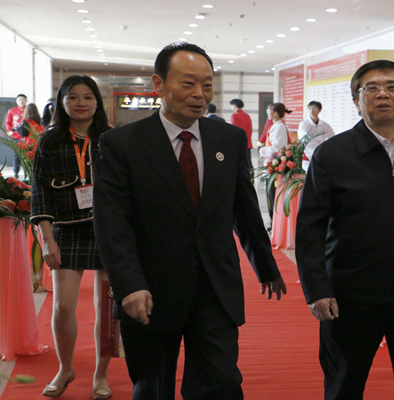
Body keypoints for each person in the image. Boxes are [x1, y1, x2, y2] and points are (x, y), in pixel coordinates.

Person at [92, 42, 286, 400]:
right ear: (159, 84)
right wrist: (129, 285)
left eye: (207, 85)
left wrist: (265, 266)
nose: (200, 94)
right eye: (188, 83)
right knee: (153, 387)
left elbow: (243, 208)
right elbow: (112, 223)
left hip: (215, 286)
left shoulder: (229, 138)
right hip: (150, 290)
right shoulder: (122, 144)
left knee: (221, 382)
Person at [295, 59, 394, 400]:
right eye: (372, 88)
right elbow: (309, 227)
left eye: (392, 87)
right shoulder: (331, 155)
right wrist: (317, 289)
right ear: (356, 100)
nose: (383, 94)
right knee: (344, 386)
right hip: (350, 295)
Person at [30, 76, 113, 399]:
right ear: (61, 102)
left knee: (108, 308)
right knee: (63, 306)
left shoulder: (110, 138)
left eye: (88, 97)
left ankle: (101, 374)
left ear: (97, 102)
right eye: (73, 97)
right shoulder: (50, 141)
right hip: (66, 229)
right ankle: (66, 368)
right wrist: (46, 239)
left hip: (108, 229)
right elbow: (39, 191)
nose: (81, 103)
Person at [259, 102, 291, 230]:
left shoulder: (280, 127)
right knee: (270, 194)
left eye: (269, 110)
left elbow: (277, 147)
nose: (267, 112)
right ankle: (273, 222)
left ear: (276, 113)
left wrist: (263, 151)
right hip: (271, 163)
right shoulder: (275, 126)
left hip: (275, 165)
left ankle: (275, 223)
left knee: (272, 195)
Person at [297, 101, 335, 170]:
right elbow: (306, 141)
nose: (311, 110)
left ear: (319, 110)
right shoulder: (304, 124)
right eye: (309, 108)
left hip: (322, 154)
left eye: (314, 108)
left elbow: (333, 139)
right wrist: (320, 151)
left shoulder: (324, 125)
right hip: (308, 156)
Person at [230, 98, 254, 178]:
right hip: (248, 142)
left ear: (235, 106)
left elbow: (235, 131)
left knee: (238, 163)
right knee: (248, 163)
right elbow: (250, 129)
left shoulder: (234, 116)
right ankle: (252, 179)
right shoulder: (247, 116)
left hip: (239, 143)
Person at [5, 93, 27, 178]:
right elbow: (8, 122)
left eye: (23, 99)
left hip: (26, 137)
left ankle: (27, 173)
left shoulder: (28, 110)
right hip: (16, 136)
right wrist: (10, 132)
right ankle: (16, 173)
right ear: (16, 101)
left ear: (26, 101)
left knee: (28, 155)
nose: (21, 101)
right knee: (17, 156)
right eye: (19, 100)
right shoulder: (12, 111)